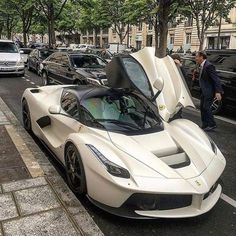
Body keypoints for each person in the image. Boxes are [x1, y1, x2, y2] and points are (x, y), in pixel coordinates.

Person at [194, 51, 223, 131]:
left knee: (206, 107)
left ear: (201, 57)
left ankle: (212, 124)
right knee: (202, 108)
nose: (195, 58)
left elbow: (216, 79)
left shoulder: (209, 66)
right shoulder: (201, 65)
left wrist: (218, 92)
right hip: (204, 91)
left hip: (209, 91)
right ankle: (205, 124)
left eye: (196, 57)